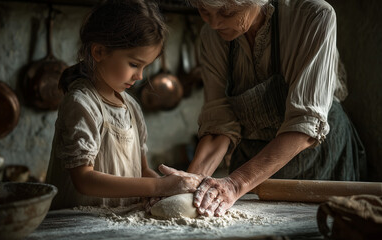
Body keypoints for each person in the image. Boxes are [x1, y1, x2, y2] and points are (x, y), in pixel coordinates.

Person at [183, 0, 367, 217]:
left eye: (226, 11)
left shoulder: (313, 16)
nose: (214, 23)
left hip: (317, 158)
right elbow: (219, 125)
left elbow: (305, 125)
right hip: (252, 159)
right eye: (204, 11)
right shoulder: (211, 36)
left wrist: (235, 183)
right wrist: (189, 183)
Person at [45, 0, 202, 210]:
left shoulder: (131, 107)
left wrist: (165, 189)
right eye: (134, 64)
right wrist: (158, 186)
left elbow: (143, 170)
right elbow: (83, 179)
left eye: (146, 66)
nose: (140, 76)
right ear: (99, 51)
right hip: (79, 222)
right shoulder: (82, 104)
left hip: (120, 219)